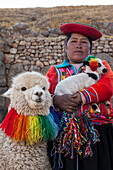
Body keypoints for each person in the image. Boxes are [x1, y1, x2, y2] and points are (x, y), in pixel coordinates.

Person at [46, 22, 113, 170]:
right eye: (74, 41)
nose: (78, 45)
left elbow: (107, 87)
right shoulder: (54, 71)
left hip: (97, 133)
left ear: (90, 48)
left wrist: (79, 97)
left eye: (84, 42)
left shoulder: (102, 67)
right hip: (64, 136)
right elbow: (44, 94)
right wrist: (56, 100)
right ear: (66, 47)